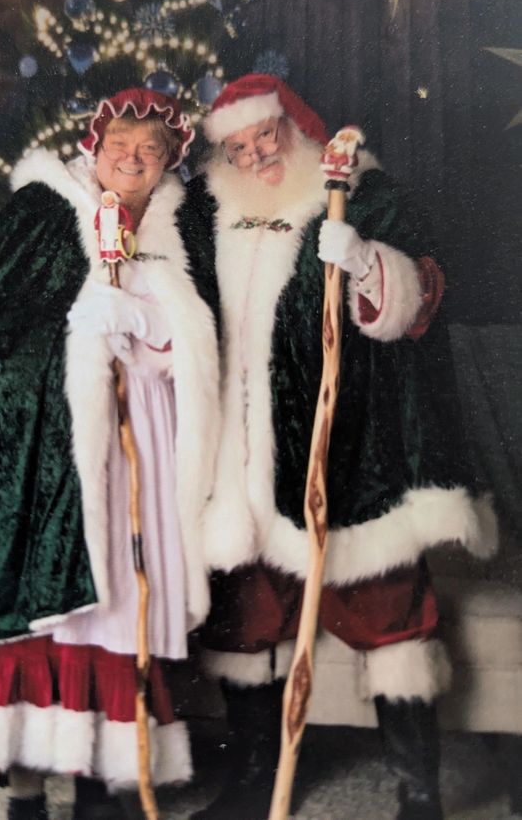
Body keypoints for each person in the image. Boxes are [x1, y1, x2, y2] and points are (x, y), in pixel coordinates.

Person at [182, 74, 498, 820]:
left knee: (387, 613)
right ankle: (256, 775)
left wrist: (362, 261)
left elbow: (424, 295)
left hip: (346, 446)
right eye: (238, 145)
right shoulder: (210, 212)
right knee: (246, 618)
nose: (256, 154)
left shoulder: (356, 192)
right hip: (242, 454)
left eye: (266, 137)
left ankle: (418, 789)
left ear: (293, 129)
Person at [0, 88, 220, 820]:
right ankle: (26, 789)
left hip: (140, 443)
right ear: (94, 146)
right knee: (48, 612)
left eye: (150, 152)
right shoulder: (45, 213)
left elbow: (197, 347)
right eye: (120, 143)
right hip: (50, 449)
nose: (132, 158)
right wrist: (79, 324)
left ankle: (99, 783)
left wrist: (145, 330)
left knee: (117, 600)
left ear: (165, 168)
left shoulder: (180, 237)